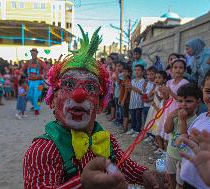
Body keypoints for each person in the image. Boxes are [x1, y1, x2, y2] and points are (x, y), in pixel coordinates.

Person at [23, 25, 167, 189]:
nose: (79, 94)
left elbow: (123, 165)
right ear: (53, 98)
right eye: (68, 84)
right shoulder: (42, 151)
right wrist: (81, 184)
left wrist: (145, 175)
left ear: (99, 104)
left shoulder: (105, 140)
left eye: (90, 87)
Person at [179, 67, 210, 189]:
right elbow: (188, 139)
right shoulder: (202, 116)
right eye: (208, 91)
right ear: (202, 90)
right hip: (189, 177)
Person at [164, 83, 201, 189]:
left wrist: (183, 121)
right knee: (171, 178)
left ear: (197, 102)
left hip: (183, 159)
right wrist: (170, 116)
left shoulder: (196, 121)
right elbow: (167, 130)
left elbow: (184, 141)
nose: (183, 104)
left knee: (180, 184)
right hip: (171, 153)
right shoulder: (176, 115)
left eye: (188, 101)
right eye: (180, 101)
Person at [22, 48, 47, 115]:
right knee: (29, 95)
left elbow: (47, 70)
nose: (33, 54)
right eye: (32, 53)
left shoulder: (41, 62)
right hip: (30, 82)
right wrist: (24, 76)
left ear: (36, 53)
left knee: (37, 96)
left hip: (39, 82)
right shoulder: (28, 62)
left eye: (34, 53)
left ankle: (37, 108)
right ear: (30, 53)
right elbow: (22, 70)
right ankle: (35, 105)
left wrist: (43, 75)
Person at [126, 64, 145, 138]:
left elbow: (142, 92)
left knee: (138, 117)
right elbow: (131, 91)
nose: (137, 71)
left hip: (139, 103)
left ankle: (138, 131)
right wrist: (128, 88)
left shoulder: (143, 81)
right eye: (135, 70)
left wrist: (132, 87)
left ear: (143, 72)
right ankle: (133, 129)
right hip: (132, 102)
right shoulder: (133, 80)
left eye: (139, 70)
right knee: (133, 117)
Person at [118, 64, 131, 133]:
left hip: (126, 100)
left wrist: (122, 100)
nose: (124, 73)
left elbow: (126, 92)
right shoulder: (123, 80)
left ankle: (125, 127)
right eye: (123, 71)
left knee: (126, 114)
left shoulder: (128, 80)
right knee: (124, 113)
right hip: (123, 99)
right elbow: (121, 91)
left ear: (129, 73)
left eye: (126, 72)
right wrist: (120, 98)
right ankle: (123, 126)